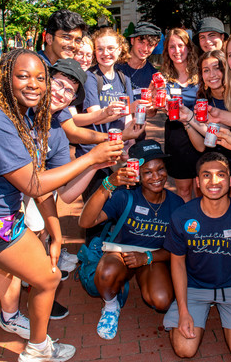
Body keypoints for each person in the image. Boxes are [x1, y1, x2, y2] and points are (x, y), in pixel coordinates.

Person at [0, 49, 123, 361]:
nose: (34, 84)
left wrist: (55, 234)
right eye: (23, 76)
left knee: (48, 277)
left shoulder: (30, 120)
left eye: (40, 78)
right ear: (5, 79)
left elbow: (42, 187)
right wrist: (93, 158)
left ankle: (38, 350)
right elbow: (34, 184)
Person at [78, 140, 184, 340]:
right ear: (137, 174)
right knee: (107, 271)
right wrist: (107, 184)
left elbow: (177, 249)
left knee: (161, 300)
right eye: (148, 172)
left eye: (160, 169)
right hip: (121, 254)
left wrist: (147, 258)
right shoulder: (125, 196)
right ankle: (110, 306)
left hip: (152, 258)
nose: (156, 177)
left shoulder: (176, 204)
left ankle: (138, 278)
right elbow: (86, 221)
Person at [163, 152, 231, 361]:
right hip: (195, 287)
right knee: (184, 350)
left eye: (221, 175)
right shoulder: (181, 216)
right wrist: (183, 311)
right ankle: (187, 315)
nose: (214, 181)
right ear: (197, 182)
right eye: (206, 175)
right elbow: (178, 264)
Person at [180, 50, 231, 204]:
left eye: (217, 68)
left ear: (227, 70)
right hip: (212, 166)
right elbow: (200, 146)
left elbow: (220, 131)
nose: (212, 74)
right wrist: (186, 121)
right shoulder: (203, 101)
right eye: (206, 70)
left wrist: (191, 118)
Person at [74, 27, 135, 201]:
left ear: (119, 49)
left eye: (110, 48)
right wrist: (111, 112)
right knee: (95, 202)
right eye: (100, 49)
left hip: (119, 150)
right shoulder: (90, 77)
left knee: (122, 200)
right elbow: (95, 114)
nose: (105, 53)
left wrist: (129, 144)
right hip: (95, 150)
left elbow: (128, 116)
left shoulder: (124, 79)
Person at [160, 28, 200, 202]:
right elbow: (156, 108)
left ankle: (203, 228)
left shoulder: (201, 74)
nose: (177, 51)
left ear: (189, 48)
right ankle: (186, 228)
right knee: (183, 191)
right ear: (167, 51)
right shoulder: (163, 79)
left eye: (181, 46)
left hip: (200, 136)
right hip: (176, 138)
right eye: (172, 47)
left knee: (201, 190)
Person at [116, 22, 162, 96]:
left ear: (155, 46)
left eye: (150, 45)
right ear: (132, 40)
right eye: (141, 42)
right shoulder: (115, 67)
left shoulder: (153, 76)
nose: (145, 48)